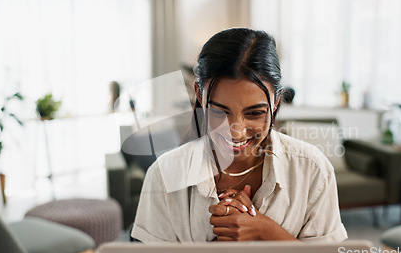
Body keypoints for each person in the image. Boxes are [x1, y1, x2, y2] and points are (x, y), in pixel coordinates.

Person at [131, 28, 347, 242]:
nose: (236, 130)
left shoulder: (312, 170)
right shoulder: (164, 174)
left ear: (276, 102)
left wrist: (265, 230)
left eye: (254, 113)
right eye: (219, 112)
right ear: (199, 95)